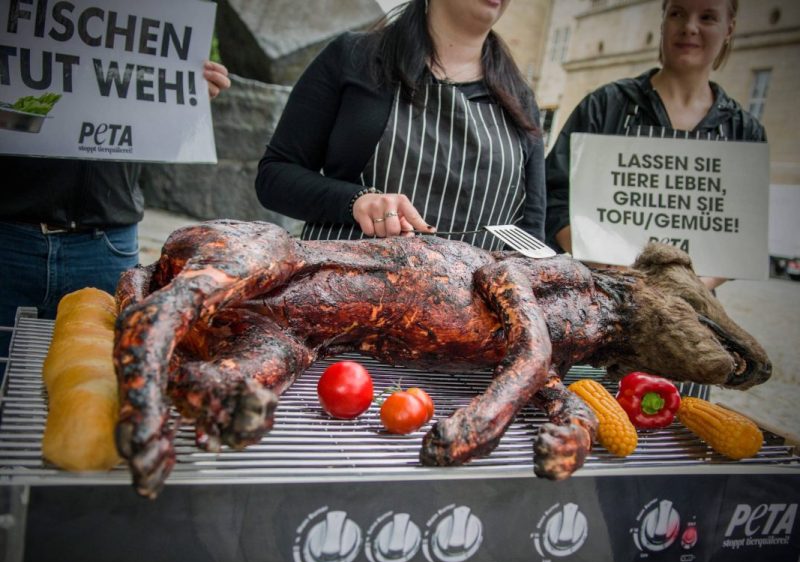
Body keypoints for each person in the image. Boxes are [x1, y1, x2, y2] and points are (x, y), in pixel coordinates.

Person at [256, 0, 546, 250]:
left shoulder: (520, 102)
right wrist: (355, 201)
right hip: (345, 301)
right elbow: (275, 177)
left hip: (467, 312)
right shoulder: (354, 58)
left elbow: (531, 236)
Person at [0, 61, 230, 371]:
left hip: (105, 244)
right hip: (10, 237)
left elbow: (161, 146)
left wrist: (183, 99)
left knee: (107, 380)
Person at [545, 0, 765, 291]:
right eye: (677, 14)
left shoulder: (743, 132)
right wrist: (615, 270)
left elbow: (742, 237)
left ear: (729, 28)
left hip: (687, 310)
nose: (689, 28)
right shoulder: (605, 106)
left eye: (708, 17)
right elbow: (554, 197)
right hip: (600, 296)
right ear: (663, 21)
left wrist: (693, 288)